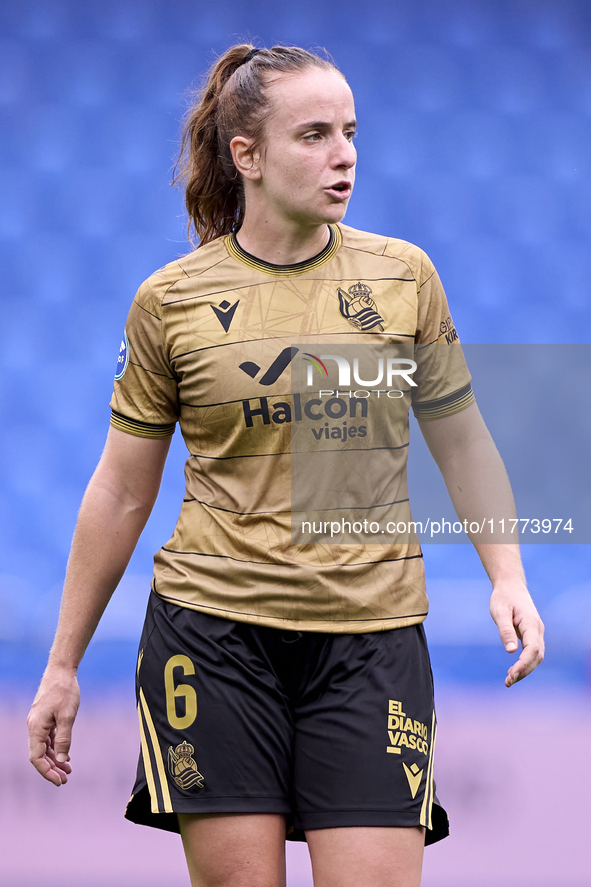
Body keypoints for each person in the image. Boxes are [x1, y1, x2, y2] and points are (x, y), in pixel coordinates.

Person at [27, 44, 544, 887]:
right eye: (312, 135)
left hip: (370, 638)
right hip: (213, 636)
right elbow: (121, 488)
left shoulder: (403, 276)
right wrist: (62, 663)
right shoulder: (172, 300)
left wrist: (507, 574)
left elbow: (462, 438)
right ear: (248, 156)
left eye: (349, 132)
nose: (342, 154)